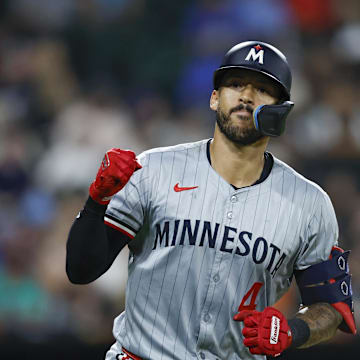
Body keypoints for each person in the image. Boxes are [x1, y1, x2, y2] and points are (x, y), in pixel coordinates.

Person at [66, 41, 356, 360]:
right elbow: (81, 270)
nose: (246, 95)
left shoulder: (310, 205)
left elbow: (332, 308)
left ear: (281, 110)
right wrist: (97, 202)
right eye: (235, 84)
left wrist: (294, 331)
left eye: (262, 89)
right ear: (215, 97)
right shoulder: (152, 170)